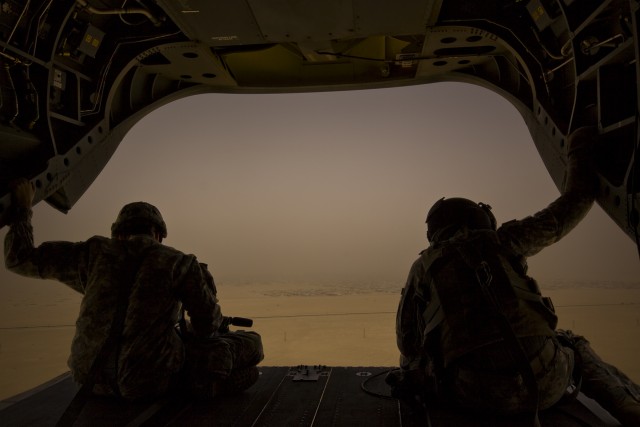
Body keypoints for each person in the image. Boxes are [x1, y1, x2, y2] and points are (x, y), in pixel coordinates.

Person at [389, 127, 640, 425]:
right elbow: (576, 201)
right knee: (573, 344)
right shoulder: (505, 241)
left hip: (471, 395)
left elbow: (407, 342)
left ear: (434, 233)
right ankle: (632, 411)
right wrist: (578, 147)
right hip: (547, 384)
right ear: (481, 220)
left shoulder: (424, 266)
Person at [4, 181, 263, 401]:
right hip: (147, 383)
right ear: (158, 234)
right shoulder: (179, 262)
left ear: (117, 233)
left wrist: (22, 208)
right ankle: (203, 388)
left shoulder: (91, 254)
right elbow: (207, 326)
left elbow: (19, 258)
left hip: (91, 382)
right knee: (249, 345)